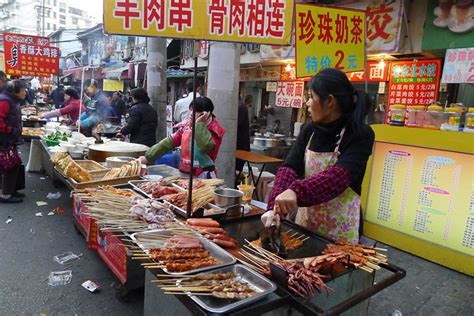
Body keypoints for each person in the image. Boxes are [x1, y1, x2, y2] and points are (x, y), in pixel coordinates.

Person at [262, 68, 375, 243]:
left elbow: (337, 178)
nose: (306, 103)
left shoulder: (360, 134)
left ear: (329, 101)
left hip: (339, 234)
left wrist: (295, 191)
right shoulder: (310, 130)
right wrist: (274, 207)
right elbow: (289, 168)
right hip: (305, 226)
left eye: (311, 97)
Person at [139, 96, 225, 178]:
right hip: (185, 172)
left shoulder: (215, 130)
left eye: (196, 111)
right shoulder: (186, 126)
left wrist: (199, 124)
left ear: (206, 114)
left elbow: (205, 146)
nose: (191, 113)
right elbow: (168, 142)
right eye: (191, 109)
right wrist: (147, 157)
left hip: (203, 175)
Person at [0, 80, 27, 203]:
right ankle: (6, 195)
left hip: (10, 139)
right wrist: (11, 130)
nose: (25, 92)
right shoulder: (5, 100)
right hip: (4, 139)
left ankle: (12, 190)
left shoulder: (12, 100)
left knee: (15, 163)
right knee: (9, 166)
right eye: (22, 90)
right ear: (15, 90)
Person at [236, 95, 251, 172]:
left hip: (240, 147)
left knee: (237, 170)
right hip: (239, 146)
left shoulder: (240, 107)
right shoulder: (240, 106)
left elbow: (236, 124)